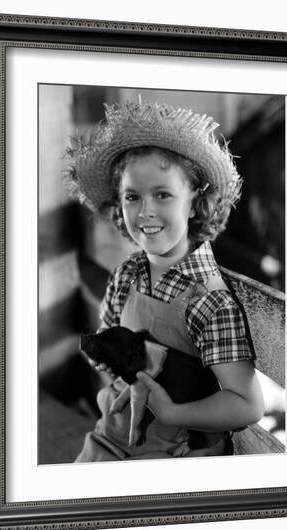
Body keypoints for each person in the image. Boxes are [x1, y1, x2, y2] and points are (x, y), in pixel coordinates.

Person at [65, 99, 264, 461]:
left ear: (194, 202)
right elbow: (106, 346)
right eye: (132, 197)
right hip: (112, 435)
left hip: (175, 455)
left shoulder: (208, 301)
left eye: (162, 194)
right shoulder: (127, 275)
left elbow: (247, 405)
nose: (145, 212)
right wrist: (114, 377)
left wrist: (173, 413)